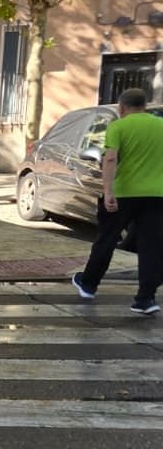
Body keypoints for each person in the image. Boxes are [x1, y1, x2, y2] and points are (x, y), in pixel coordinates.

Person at [73, 88, 162, 314]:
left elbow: (110, 158)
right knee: (152, 246)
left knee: (107, 239)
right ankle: (145, 299)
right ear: (145, 106)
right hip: (156, 195)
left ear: (122, 107)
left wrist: (108, 191)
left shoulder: (118, 126)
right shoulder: (160, 126)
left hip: (123, 194)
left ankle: (88, 284)